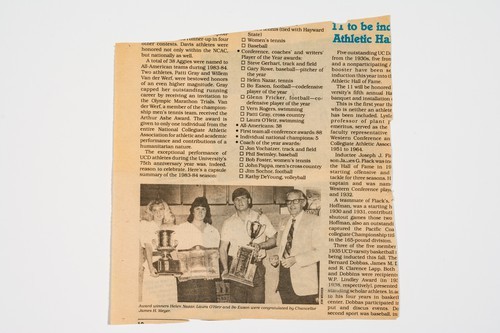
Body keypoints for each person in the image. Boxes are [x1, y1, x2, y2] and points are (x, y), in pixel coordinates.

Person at [219, 188, 277, 303]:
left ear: (249, 200)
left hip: (256, 267)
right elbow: (222, 248)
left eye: (243, 198)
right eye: (236, 199)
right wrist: (226, 269)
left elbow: (273, 240)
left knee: (257, 307)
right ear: (233, 203)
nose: (240, 202)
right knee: (238, 308)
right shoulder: (228, 222)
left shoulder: (261, 218)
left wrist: (260, 246)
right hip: (236, 268)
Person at [276, 189, 321, 304]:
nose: (291, 204)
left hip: (304, 283)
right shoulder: (283, 221)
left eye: (295, 201)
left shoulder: (315, 221)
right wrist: (277, 258)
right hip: (284, 280)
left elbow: (321, 251)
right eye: (289, 201)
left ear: (303, 203)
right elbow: (282, 247)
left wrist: (296, 259)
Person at [175, 197, 220, 302]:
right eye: (197, 209)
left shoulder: (213, 231)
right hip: (187, 279)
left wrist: (212, 272)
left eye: (203, 209)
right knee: (187, 311)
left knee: (208, 311)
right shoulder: (182, 228)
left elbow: (214, 255)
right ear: (192, 211)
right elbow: (176, 253)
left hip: (207, 280)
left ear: (207, 212)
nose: (200, 212)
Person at [139, 199, 176, 302]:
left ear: (166, 211)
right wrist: (151, 268)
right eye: (155, 210)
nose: (158, 213)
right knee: (152, 299)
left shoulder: (170, 226)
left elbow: (174, 250)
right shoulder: (146, 225)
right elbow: (148, 247)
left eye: (161, 209)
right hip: (153, 265)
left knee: (169, 300)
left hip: (169, 266)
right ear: (151, 212)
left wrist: (177, 269)